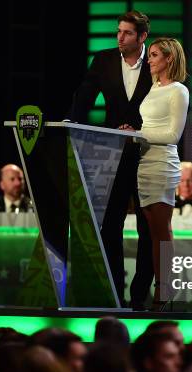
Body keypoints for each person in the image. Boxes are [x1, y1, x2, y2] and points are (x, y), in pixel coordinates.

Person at [68, 11, 154, 310]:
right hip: (111, 155)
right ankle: (115, 293)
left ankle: (140, 295)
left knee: (148, 228)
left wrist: (143, 132)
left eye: (127, 33)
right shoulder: (103, 60)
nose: (119, 37)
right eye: (118, 31)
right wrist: (74, 129)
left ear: (142, 37)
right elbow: (84, 99)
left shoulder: (157, 62)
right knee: (109, 226)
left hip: (148, 156)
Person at [120, 37, 189, 310]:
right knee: (150, 232)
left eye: (155, 55)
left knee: (162, 232)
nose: (149, 59)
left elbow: (173, 134)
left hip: (162, 164)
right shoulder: (153, 87)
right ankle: (160, 290)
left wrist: (137, 135)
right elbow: (149, 125)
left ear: (169, 59)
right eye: (150, 55)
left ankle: (165, 291)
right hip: (145, 163)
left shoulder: (178, 91)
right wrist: (134, 132)